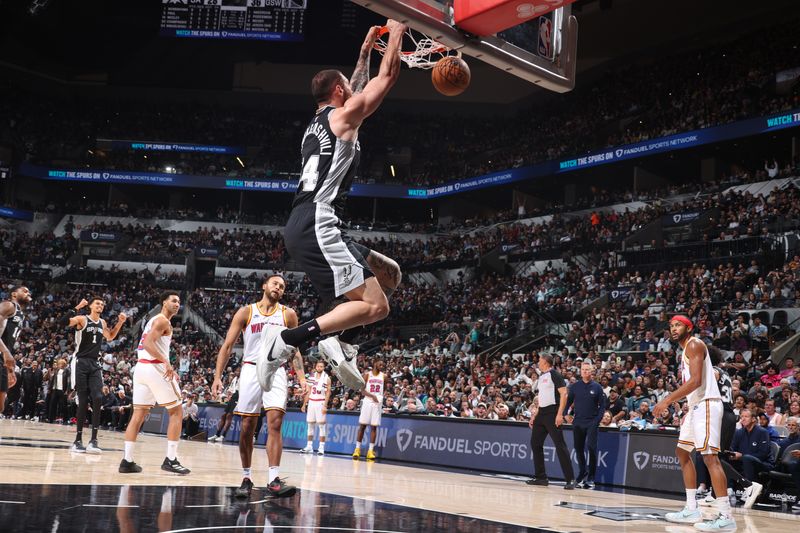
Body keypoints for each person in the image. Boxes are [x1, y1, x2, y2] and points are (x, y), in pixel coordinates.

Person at [259, 21, 406, 394]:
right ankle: (294, 338)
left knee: (391, 275)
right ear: (340, 91)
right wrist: (399, 28)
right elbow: (386, 77)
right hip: (318, 221)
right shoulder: (343, 119)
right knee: (378, 307)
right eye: (348, 88)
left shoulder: (316, 125)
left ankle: (340, 340)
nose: (354, 91)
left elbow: (356, 86)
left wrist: (364, 52)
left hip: (312, 221)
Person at [212, 275, 303, 499]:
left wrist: (302, 379)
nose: (279, 288)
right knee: (247, 426)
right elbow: (228, 345)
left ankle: (273, 479)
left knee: (275, 422)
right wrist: (217, 376)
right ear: (264, 286)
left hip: (276, 369)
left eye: (282, 286)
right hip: (251, 368)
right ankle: (246, 477)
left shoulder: (288, 314)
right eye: (275, 283)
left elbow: (295, 350)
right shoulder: (246, 312)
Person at [653, 315, 735, 531]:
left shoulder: (695, 344)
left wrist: (667, 400)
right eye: (671, 326)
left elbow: (696, 380)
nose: (673, 328)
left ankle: (726, 516)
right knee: (682, 452)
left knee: (710, 458)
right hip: (696, 405)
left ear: (689, 327)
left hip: (707, 404)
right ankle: (691, 508)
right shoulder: (685, 350)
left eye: (678, 325)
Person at [119, 291, 190, 475]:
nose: (177, 304)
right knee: (176, 411)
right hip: (155, 368)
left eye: (179, 301)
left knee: (138, 415)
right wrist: (166, 362)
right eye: (173, 301)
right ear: (164, 302)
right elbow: (149, 344)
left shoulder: (152, 320)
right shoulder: (162, 321)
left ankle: (127, 460)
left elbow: (143, 345)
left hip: (141, 369)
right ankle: (171, 460)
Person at [696, 346, 763, 509]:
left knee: (712, 457)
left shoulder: (713, 370)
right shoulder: (722, 370)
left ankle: (748, 485)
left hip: (720, 414)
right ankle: (714, 494)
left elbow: (708, 379)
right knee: (718, 457)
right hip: (727, 414)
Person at [66, 297, 127, 453]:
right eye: (97, 303)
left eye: (102, 304)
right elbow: (64, 322)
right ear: (91, 306)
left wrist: (120, 322)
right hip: (80, 361)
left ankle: (93, 441)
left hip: (94, 363)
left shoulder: (103, 323)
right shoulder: (81, 319)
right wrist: (76, 307)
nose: (100, 305)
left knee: (98, 397)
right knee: (84, 399)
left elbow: (111, 336)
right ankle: (77, 440)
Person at [527, 354, 575, 489]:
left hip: (553, 413)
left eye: (540, 361)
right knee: (535, 443)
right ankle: (541, 477)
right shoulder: (542, 376)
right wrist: (535, 414)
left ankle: (570, 479)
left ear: (546, 362)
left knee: (560, 445)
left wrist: (560, 414)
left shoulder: (555, 374)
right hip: (541, 413)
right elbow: (542, 397)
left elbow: (564, 394)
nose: (538, 363)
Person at [564, 361, 605, 489]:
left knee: (592, 448)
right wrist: (566, 414)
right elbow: (568, 402)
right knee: (578, 448)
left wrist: (597, 421)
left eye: (587, 369)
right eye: (583, 369)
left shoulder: (597, 387)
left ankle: (591, 478)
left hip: (591, 422)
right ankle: (582, 473)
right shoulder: (575, 386)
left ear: (592, 371)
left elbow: (602, 406)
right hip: (578, 422)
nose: (585, 371)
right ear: (580, 371)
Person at [0, 286, 31, 414]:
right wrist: (6, 352)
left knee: (1, 405)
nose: (28, 292)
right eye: (24, 291)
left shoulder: (20, 314)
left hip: (2, 358)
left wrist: (10, 369)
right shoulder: (9, 305)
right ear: (14, 294)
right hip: (2, 354)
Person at [352, 358, 387, 461]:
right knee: (362, 426)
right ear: (375, 364)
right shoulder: (367, 375)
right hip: (368, 401)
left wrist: (380, 398)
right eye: (380, 364)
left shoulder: (384, 376)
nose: (382, 367)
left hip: (377, 403)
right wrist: (372, 396)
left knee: (374, 427)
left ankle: (370, 451)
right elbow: (362, 391)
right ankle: (357, 449)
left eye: (382, 365)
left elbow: (384, 390)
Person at [301, 360, 331, 455]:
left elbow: (328, 393)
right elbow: (308, 391)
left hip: (320, 402)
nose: (319, 368)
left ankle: (321, 447)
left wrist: (325, 405)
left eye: (321, 366)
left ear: (324, 367)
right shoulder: (311, 377)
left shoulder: (327, 378)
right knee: (310, 425)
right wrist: (304, 404)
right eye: (318, 366)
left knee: (322, 426)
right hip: (311, 402)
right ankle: (309, 446)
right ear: (315, 367)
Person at [48, 359, 70, 423]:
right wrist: (50, 388)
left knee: (63, 405)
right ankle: (51, 419)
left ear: (64, 364)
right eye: (59, 364)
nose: (59, 365)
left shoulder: (67, 371)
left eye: (60, 364)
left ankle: (65, 419)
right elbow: (53, 380)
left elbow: (69, 381)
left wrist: (67, 390)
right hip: (55, 389)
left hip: (63, 390)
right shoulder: (56, 370)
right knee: (52, 404)